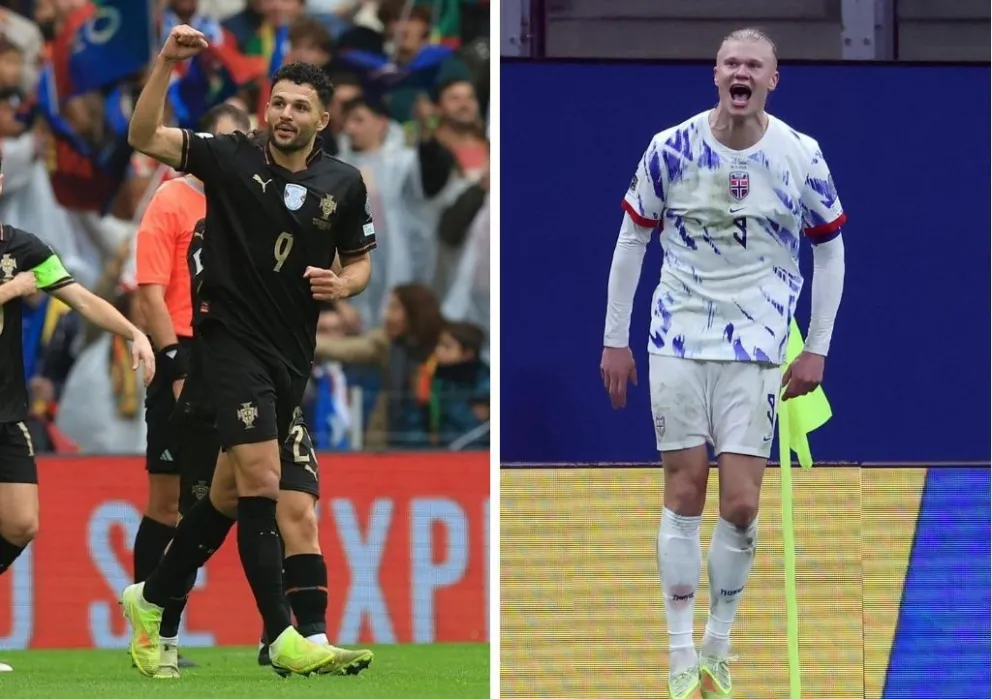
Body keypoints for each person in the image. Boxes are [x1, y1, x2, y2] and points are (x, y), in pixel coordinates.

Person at [120, 23, 376, 678]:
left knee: (232, 493)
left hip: (291, 353)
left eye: (299, 106)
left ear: (323, 117)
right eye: (278, 102)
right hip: (226, 343)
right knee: (264, 478)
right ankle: (282, 633)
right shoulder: (231, 157)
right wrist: (166, 64)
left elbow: (359, 264)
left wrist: (339, 282)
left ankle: (150, 598)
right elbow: (143, 136)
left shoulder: (344, 184)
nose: (285, 114)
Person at [599, 28, 846, 699]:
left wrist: (817, 343)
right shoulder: (670, 148)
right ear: (715, 74)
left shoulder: (801, 155)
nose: (741, 73)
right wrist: (614, 339)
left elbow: (829, 249)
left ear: (773, 79)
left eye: (754, 65)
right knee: (684, 491)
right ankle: (679, 655)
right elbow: (631, 241)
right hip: (676, 337)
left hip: (759, 345)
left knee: (740, 502)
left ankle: (717, 645)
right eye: (731, 62)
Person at [0, 178, 156, 673]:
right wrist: (13, 289)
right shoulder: (19, 272)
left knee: (22, 523)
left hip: (5, 412)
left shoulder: (25, 247)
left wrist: (132, 330)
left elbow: (81, 299)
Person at [132, 102, 249, 671]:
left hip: (233, 356)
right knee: (170, 502)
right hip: (182, 352)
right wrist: (174, 364)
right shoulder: (172, 198)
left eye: (240, 141)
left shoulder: (248, 200)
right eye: (224, 140)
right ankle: (151, 633)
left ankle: (266, 630)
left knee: (224, 496)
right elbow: (150, 288)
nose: (233, 150)